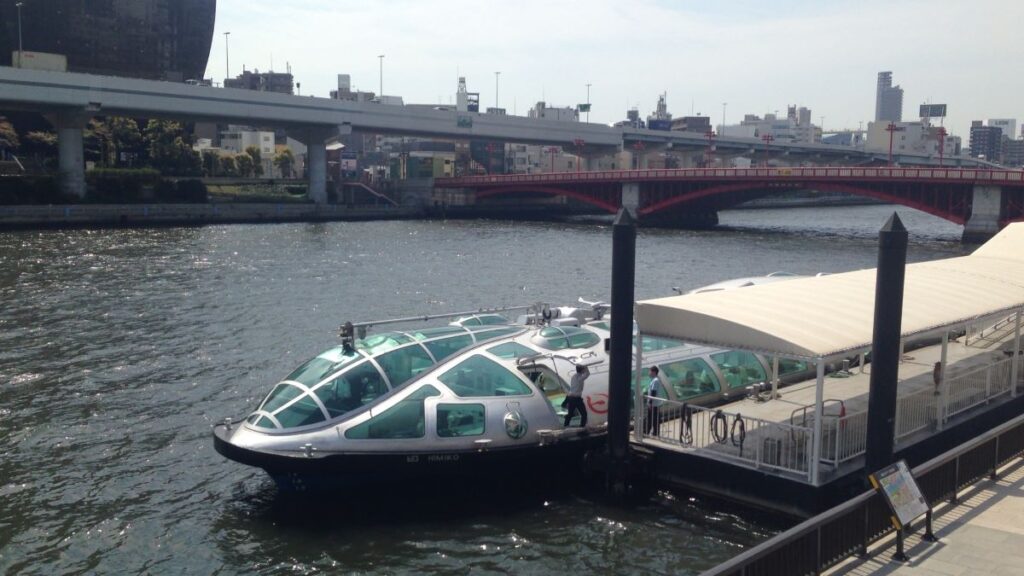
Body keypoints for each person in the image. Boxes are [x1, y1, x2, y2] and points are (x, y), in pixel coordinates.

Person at [645, 366, 665, 435]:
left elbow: (653, 392)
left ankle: (652, 432)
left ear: (653, 372)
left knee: (652, 419)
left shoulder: (655, 381)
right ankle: (651, 432)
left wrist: (650, 403)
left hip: (654, 404)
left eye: (650, 371)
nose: (649, 373)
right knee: (652, 418)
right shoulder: (655, 380)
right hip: (655, 404)